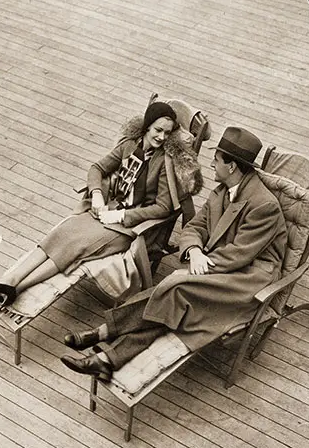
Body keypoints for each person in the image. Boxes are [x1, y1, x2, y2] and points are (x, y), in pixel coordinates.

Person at [60, 126, 288, 382]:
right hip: (219, 260)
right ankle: (106, 358)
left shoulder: (264, 205)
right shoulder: (223, 190)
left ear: (232, 166)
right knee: (173, 301)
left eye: (217, 159)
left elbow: (240, 254)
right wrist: (193, 249)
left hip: (249, 277)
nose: (212, 163)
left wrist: (200, 261)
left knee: (175, 287)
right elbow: (195, 227)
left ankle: (102, 333)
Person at [0, 101, 202, 306]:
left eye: (167, 133)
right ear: (146, 127)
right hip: (106, 210)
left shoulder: (164, 162)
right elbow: (97, 168)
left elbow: (163, 207)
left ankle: (15, 288)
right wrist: (96, 194)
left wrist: (123, 217)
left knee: (74, 247)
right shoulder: (128, 146)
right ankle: (6, 281)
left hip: (127, 226)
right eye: (158, 130)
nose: (162, 137)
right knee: (61, 233)